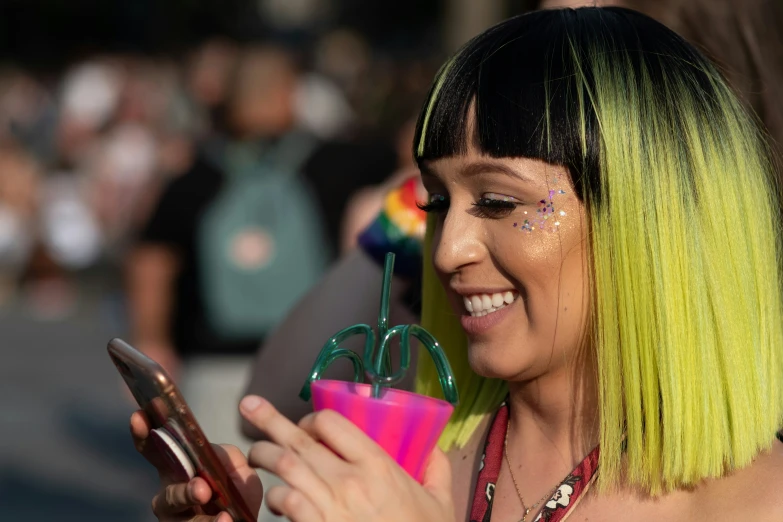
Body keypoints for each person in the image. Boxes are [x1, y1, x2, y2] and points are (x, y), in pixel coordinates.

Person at [134, 7, 783, 521]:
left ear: (653, 217)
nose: (446, 251)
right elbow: (272, 384)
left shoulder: (760, 503)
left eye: (499, 201)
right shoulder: (404, 464)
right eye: (437, 202)